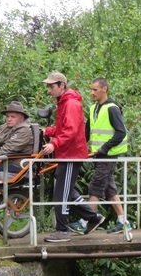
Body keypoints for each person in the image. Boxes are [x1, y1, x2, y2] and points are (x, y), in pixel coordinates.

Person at [41, 71, 105, 243]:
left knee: (61, 193)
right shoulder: (64, 102)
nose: (49, 90)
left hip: (71, 154)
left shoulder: (70, 103)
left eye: (52, 86)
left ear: (62, 85)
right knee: (66, 191)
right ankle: (92, 217)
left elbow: (70, 131)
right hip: (67, 153)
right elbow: (62, 128)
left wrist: (54, 143)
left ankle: (62, 230)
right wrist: (46, 131)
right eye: (48, 86)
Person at [69, 77, 130, 235]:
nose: (92, 93)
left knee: (95, 186)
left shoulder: (112, 108)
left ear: (105, 89)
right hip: (98, 155)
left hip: (108, 155)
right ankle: (124, 222)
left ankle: (84, 222)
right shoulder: (94, 108)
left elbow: (121, 132)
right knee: (110, 189)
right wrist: (78, 148)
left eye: (95, 90)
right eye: (91, 89)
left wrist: (105, 147)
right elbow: (87, 133)